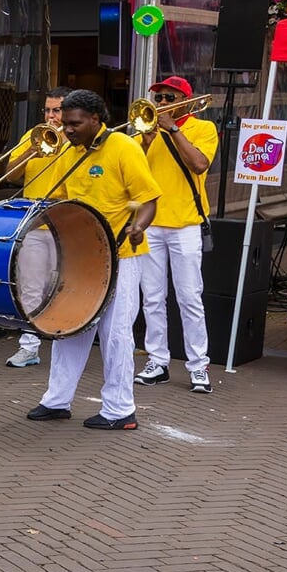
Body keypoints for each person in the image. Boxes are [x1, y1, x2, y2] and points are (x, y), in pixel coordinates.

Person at [26, 89, 161, 430]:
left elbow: (148, 201)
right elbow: (59, 202)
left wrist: (139, 227)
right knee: (69, 325)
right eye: (65, 123)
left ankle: (120, 410)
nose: (67, 129)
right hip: (80, 257)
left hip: (121, 255)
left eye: (74, 123)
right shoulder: (68, 152)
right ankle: (57, 400)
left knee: (115, 333)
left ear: (96, 120)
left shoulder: (124, 148)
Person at [134, 76, 219, 392]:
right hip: (152, 224)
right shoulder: (147, 132)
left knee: (189, 297)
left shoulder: (202, 129)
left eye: (170, 98)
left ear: (186, 99)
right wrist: (146, 138)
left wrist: (172, 128)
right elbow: (137, 172)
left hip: (185, 225)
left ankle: (199, 365)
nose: (163, 104)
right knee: (153, 298)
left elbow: (199, 164)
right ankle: (158, 361)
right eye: (159, 98)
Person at [0, 85, 70, 368]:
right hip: (33, 220)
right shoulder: (34, 135)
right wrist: (32, 148)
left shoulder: (77, 140)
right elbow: (10, 175)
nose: (51, 116)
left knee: (63, 286)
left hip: (65, 221)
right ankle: (29, 346)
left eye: (57, 110)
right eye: (48, 110)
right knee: (30, 285)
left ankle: (66, 344)